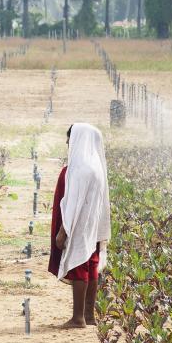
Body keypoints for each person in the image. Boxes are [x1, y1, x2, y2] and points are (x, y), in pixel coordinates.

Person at [47, 123, 111, 327]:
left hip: (78, 225)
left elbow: (72, 203)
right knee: (91, 265)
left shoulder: (79, 170)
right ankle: (89, 315)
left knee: (78, 267)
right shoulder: (96, 167)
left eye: (70, 139)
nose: (68, 144)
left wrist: (63, 231)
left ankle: (78, 317)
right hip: (92, 226)